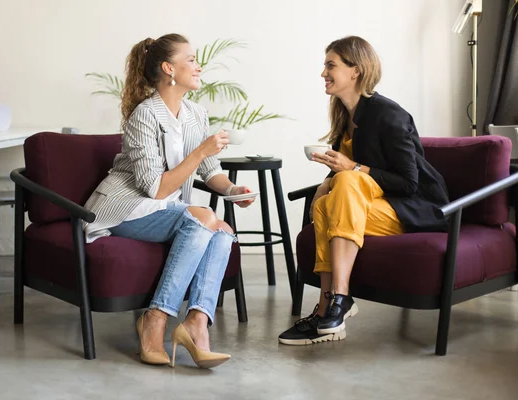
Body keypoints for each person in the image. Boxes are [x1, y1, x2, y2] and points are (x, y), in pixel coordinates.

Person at [83, 33, 255, 367]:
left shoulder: (196, 114)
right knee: (204, 217)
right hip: (125, 207)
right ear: (168, 68)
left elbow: (210, 170)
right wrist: (201, 149)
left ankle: (196, 325)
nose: (199, 66)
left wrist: (233, 190)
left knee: (222, 231)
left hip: (166, 208)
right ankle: (155, 320)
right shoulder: (144, 116)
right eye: (190, 59)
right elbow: (155, 189)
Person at [278, 36, 449, 346]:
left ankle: (338, 300)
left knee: (343, 183)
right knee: (322, 206)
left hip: (410, 208)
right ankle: (327, 310)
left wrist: (348, 170)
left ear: (355, 71)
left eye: (331, 65)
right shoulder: (345, 115)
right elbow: (349, 170)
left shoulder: (388, 114)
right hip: (370, 205)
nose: (323, 73)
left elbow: (408, 183)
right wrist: (328, 181)